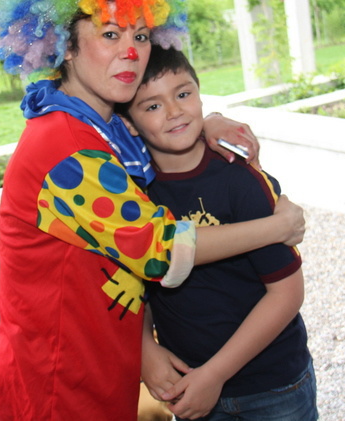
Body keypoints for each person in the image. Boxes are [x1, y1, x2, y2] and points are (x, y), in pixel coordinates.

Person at [0, 0, 306, 421]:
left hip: (104, 365)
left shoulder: (101, 126)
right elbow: (162, 251)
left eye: (140, 36)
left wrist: (205, 123)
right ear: (65, 46)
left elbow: (153, 132)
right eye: (110, 34)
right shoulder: (67, 151)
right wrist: (277, 227)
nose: (132, 52)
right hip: (59, 382)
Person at [120, 45, 316, 421]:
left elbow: (287, 292)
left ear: (199, 93)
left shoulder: (239, 178)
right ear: (129, 123)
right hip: (188, 384)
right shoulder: (132, 195)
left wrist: (214, 375)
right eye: (153, 105)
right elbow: (136, 285)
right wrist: (145, 348)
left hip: (272, 385)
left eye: (183, 94)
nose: (175, 111)